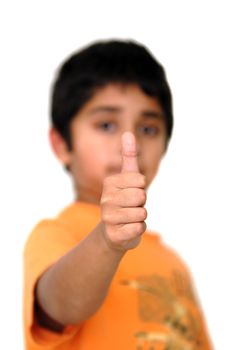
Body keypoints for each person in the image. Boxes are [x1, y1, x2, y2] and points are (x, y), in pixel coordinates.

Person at [23, 40, 213, 350]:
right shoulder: (55, 234)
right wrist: (107, 242)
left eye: (148, 129)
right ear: (61, 145)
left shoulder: (173, 262)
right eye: (107, 124)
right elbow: (60, 305)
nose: (131, 141)